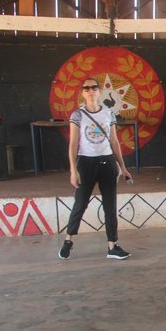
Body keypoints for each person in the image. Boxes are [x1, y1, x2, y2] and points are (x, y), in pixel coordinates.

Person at [58, 77, 132, 260]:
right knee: (80, 203)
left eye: (94, 87)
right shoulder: (77, 115)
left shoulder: (108, 113)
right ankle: (68, 240)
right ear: (82, 93)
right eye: (87, 88)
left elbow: (114, 141)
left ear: (99, 91)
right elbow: (73, 143)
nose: (91, 91)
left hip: (107, 161)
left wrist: (123, 167)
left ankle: (112, 246)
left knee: (110, 206)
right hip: (86, 162)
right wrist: (73, 170)